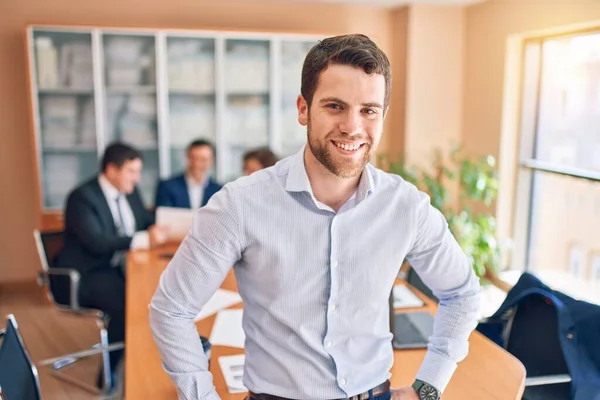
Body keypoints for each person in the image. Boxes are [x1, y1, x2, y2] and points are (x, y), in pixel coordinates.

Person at [149, 34, 481, 400]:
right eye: (335, 106)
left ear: (382, 116)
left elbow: (462, 293)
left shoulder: (406, 207)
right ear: (304, 109)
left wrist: (429, 387)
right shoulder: (239, 204)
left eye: (368, 110)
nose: (353, 127)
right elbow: (172, 309)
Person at [56, 142, 168, 390]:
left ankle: (144, 355)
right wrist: (141, 238)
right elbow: (96, 242)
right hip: (89, 273)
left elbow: (144, 220)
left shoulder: (130, 191)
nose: (137, 178)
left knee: (154, 291)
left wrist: (162, 224)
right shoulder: (82, 198)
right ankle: (110, 371)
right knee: (128, 306)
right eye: (131, 171)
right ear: (111, 169)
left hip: (120, 265)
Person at [155, 139, 222, 209]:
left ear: (211, 161)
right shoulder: (167, 187)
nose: (197, 164)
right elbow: (163, 216)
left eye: (203, 160)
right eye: (194, 158)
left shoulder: (218, 191)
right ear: (187, 158)